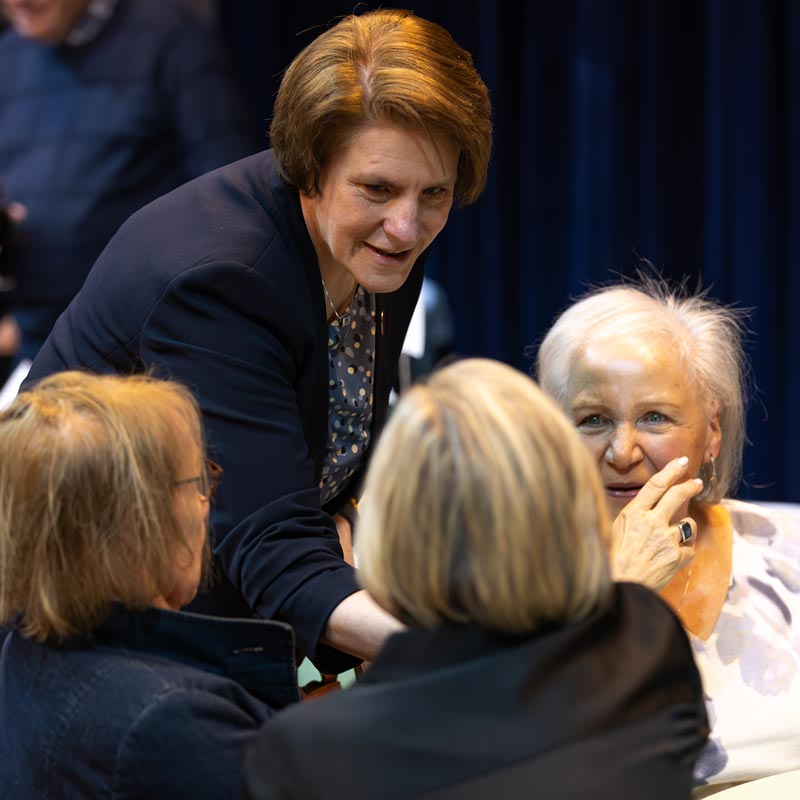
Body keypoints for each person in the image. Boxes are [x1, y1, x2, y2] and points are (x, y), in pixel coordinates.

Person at [24, 9, 493, 672]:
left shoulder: (375, 246)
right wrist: (475, 660)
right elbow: (273, 548)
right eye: (378, 189)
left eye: (435, 193)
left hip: (211, 628)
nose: (407, 227)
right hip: (94, 650)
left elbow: (325, 463)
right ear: (310, 166)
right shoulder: (224, 279)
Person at [243, 358, 708, 800]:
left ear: (387, 529)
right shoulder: (648, 638)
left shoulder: (306, 751)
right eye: (593, 420)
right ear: (568, 506)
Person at [536, 280, 800, 795]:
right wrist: (620, 591)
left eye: (654, 417)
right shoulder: (499, 579)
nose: (622, 452)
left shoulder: (788, 551)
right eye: (593, 419)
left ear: (712, 430)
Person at [0, 371, 300, 800]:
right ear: (135, 525)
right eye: (198, 482)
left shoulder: (22, 646)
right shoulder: (173, 722)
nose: (206, 504)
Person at [0, 0, 259, 365]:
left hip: (142, 350)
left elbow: (231, 198)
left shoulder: (170, 37)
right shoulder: (9, 55)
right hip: (37, 345)